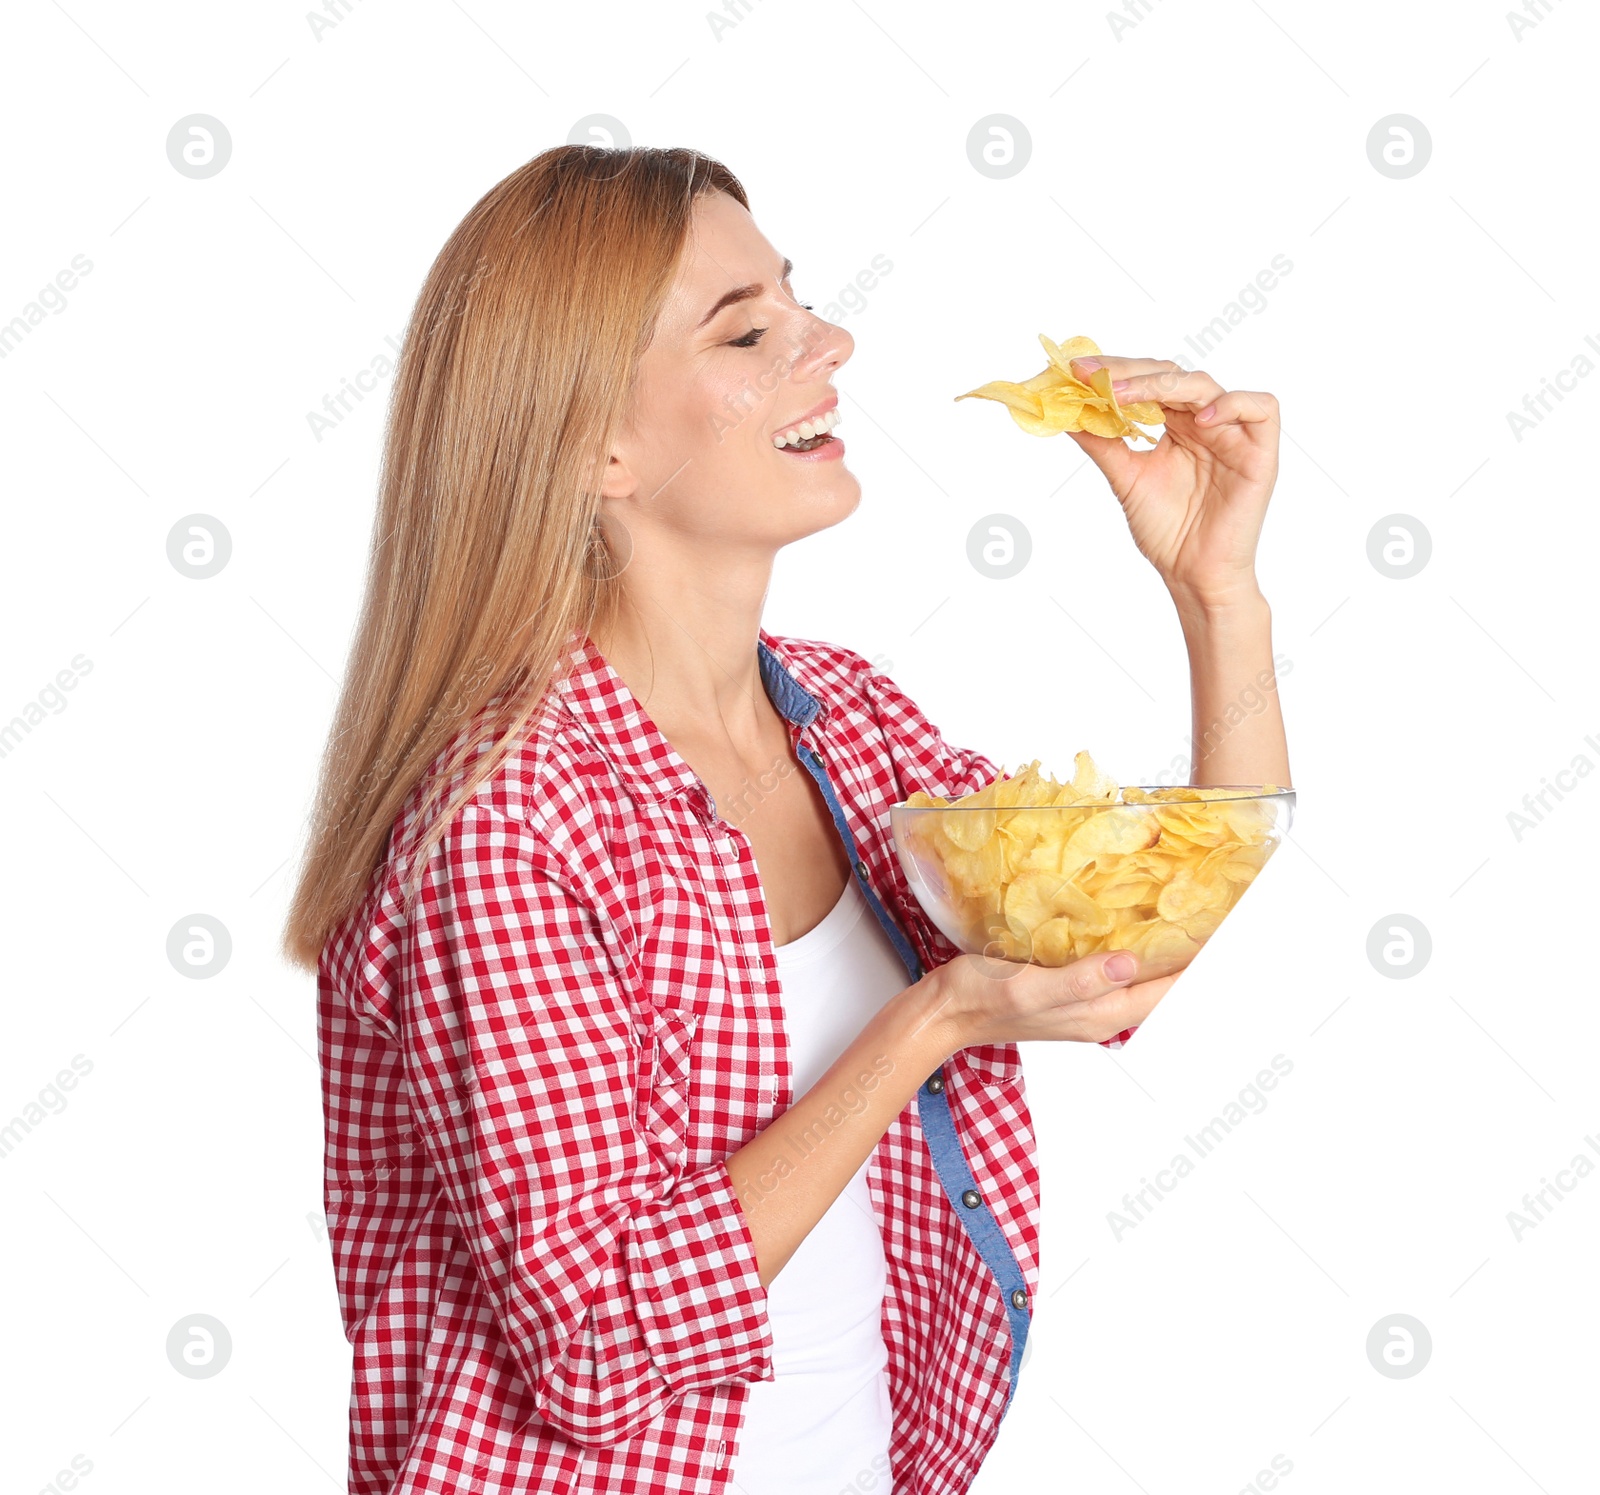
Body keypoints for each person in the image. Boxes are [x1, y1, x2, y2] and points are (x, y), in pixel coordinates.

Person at [282, 144, 1290, 1495]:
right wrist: (929, 1023)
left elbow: (1120, 970)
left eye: (796, 302)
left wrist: (1216, 595)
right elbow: (589, 1350)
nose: (833, 340)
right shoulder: (511, 820)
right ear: (597, 444)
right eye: (749, 328)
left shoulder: (849, 727)